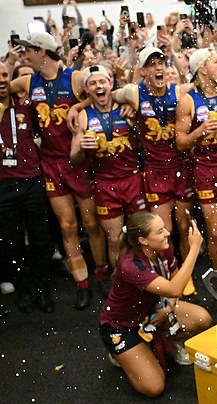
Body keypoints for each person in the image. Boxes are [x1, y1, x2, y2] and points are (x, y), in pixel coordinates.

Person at [10, 32, 107, 310]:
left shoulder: (75, 78)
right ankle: (82, 283)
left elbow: (101, 92)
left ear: (42, 51)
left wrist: (78, 104)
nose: (24, 54)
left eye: (28, 50)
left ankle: (101, 273)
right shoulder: (29, 81)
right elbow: (4, 86)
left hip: (78, 162)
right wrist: (11, 63)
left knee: (91, 224)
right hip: (51, 164)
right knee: (66, 226)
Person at [99, 212, 211, 397]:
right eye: (159, 231)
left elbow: (176, 283)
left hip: (151, 313)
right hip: (122, 327)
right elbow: (174, 288)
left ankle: (164, 343)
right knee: (154, 387)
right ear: (143, 240)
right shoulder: (131, 265)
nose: (167, 233)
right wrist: (194, 249)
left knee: (202, 319)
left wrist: (168, 308)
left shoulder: (162, 248)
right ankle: (121, 353)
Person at [112, 47, 195, 261]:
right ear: (142, 71)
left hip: (180, 167)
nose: (159, 68)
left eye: (161, 63)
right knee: (163, 229)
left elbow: (204, 89)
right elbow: (110, 96)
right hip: (155, 171)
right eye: (152, 64)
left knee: (184, 226)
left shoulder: (179, 92)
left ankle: (186, 274)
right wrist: (123, 106)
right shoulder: (134, 92)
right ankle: (169, 272)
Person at [70, 65, 147, 273]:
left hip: (132, 180)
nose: (99, 86)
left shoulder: (126, 108)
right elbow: (74, 158)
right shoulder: (83, 116)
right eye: (93, 83)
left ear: (110, 84)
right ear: (87, 88)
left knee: (142, 236)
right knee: (114, 239)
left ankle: (148, 281)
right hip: (105, 184)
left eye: (102, 81)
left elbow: (143, 138)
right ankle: (122, 282)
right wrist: (82, 149)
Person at [175, 49, 217, 273]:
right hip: (205, 170)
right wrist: (200, 131)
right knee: (214, 231)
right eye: (216, 62)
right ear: (203, 69)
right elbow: (180, 142)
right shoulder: (188, 100)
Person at [0, 61, 54, 313]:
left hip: (32, 180)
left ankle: (42, 288)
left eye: (3, 75)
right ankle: (22, 288)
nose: (1, 79)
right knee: (12, 242)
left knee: (41, 239)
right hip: (3, 186)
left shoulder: (26, 106)